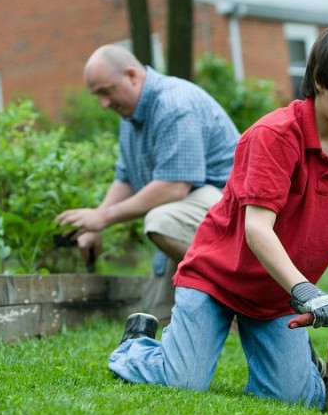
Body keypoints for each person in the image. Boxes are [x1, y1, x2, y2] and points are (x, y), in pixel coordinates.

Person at [108, 25, 328, 409]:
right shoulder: (274, 136)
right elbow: (257, 229)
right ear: (320, 82)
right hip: (215, 281)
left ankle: (299, 366)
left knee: (296, 399)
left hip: (278, 296)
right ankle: (137, 345)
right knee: (182, 382)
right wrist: (310, 293)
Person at [56, 45, 240, 323]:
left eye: (106, 91)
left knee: (161, 221)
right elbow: (126, 177)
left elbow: (174, 187)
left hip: (234, 215)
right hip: (193, 216)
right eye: (97, 96)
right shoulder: (131, 117)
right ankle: (211, 302)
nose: (103, 104)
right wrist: (93, 225)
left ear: (132, 75)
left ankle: (237, 295)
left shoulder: (173, 104)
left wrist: (104, 217)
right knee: (153, 316)